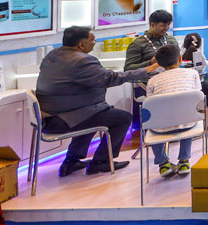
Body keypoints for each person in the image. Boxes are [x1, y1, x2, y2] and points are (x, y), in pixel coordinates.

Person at [36, 26, 161, 177]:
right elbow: (110, 78)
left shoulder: (53, 55)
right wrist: (149, 69)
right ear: (81, 44)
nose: (94, 43)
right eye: (92, 40)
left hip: (50, 116)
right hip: (63, 118)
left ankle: (71, 161)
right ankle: (101, 161)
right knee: (122, 118)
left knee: (95, 114)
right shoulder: (82, 60)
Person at [145, 45, 203, 177]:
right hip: (188, 124)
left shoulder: (152, 81)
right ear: (180, 59)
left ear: (158, 63)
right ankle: (184, 161)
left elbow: (150, 106)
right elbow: (198, 99)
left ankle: (163, 164)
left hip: (160, 128)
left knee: (152, 122)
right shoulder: (193, 74)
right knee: (187, 114)